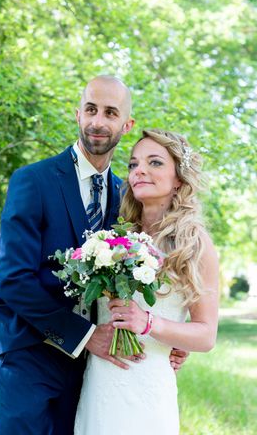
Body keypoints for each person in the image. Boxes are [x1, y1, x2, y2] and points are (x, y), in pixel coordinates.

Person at [0, 77, 188, 434]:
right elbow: (13, 281)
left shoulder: (127, 198)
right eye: (91, 110)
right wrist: (84, 335)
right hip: (29, 349)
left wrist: (169, 339)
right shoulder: (33, 181)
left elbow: (136, 278)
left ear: (125, 125)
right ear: (78, 114)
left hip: (94, 368)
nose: (98, 121)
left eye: (111, 113)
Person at [74, 128, 220, 434]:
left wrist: (150, 324)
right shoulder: (113, 239)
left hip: (147, 389)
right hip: (100, 384)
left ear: (179, 177)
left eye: (154, 163)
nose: (139, 170)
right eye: (133, 164)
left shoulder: (194, 243)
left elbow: (206, 335)